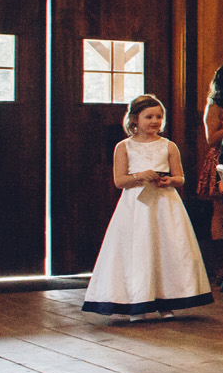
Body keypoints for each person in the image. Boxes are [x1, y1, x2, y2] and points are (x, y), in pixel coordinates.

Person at [83, 94, 214, 319]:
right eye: (149, 117)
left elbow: (180, 177)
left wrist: (169, 180)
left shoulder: (168, 146)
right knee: (139, 249)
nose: (155, 121)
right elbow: (120, 181)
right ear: (135, 119)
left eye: (159, 117)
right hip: (136, 206)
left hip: (165, 204)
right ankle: (137, 302)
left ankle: (167, 301)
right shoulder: (124, 147)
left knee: (166, 249)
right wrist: (140, 176)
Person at [200, 61, 223, 257]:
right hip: (220, 159)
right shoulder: (215, 106)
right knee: (221, 210)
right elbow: (211, 139)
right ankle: (222, 262)